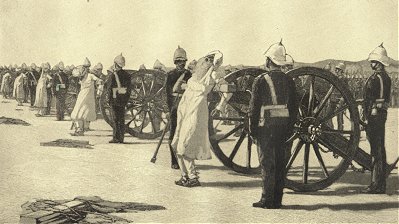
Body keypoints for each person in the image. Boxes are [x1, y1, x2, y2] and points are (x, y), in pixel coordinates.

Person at [250, 41, 297, 209]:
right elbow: (294, 108)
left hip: (266, 127)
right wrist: (290, 128)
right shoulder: (289, 80)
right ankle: (277, 200)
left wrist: (252, 129)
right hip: (284, 127)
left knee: (267, 163)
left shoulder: (260, 80)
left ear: (269, 61)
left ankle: (266, 199)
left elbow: (254, 108)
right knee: (280, 164)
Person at [171, 50, 224, 187]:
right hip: (185, 111)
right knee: (176, 144)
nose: (204, 63)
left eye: (208, 61)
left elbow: (223, 87)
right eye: (205, 60)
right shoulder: (194, 77)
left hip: (195, 112)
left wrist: (220, 106)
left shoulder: (210, 77)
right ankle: (184, 176)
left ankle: (193, 177)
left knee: (185, 145)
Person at [361, 43, 391, 194]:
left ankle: (377, 184)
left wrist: (367, 118)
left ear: (379, 63)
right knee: (378, 148)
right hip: (378, 115)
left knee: (376, 150)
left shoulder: (378, 78)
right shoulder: (383, 77)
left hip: (375, 116)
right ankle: (379, 183)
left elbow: (375, 101)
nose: (371, 63)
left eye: (373, 61)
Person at [165, 46, 192, 169]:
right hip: (175, 106)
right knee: (173, 134)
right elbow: (167, 93)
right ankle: (174, 161)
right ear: (175, 62)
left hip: (186, 106)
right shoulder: (170, 74)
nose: (181, 64)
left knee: (186, 134)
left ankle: (184, 159)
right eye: (179, 61)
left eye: (183, 62)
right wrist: (168, 109)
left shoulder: (189, 74)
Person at [70, 58, 102, 136]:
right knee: (80, 110)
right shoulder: (82, 76)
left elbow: (99, 81)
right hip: (84, 94)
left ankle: (82, 129)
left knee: (83, 110)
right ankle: (80, 129)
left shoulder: (90, 76)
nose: (86, 69)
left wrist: (99, 90)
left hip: (88, 96)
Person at [107, 54, 131, 143]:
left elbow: (109, 88)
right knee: (121, 119)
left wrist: (109, 100)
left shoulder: (113, 75)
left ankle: (116, 138)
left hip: (114, 99)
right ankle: (121, 138)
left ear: (116, 65)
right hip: (122, 100)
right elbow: (129, 90)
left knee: (115, 119)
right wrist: (126, 100)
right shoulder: (127, 75)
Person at [334, 62, 346, 130]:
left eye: (338, 69)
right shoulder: (336, 78)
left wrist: (342, 99)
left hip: (339, 100)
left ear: (341, 70)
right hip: (333, 99)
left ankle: (340, 131)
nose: (336, 71)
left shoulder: (343, 79)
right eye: (336, 69)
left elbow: (345, 90)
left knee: (339, 117)